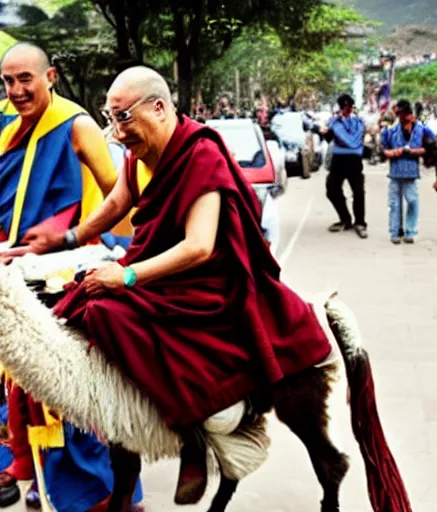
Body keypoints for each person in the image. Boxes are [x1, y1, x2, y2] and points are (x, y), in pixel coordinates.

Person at [23, 66, 333, 506]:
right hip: (160, 273)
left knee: (109, 310)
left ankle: (191, 432)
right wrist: (68, 239)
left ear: (160, 108)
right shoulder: (140, 156)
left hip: (208, 286)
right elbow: (116, 204)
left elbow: (200, 247)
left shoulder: (200, 153)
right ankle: (116, 428)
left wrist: (127, 276)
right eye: (111, 118)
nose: (117, 131)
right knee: (77, 300)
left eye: (124, 117)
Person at [0, 42, 141, 510]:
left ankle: (106, 494)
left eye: (26, 79)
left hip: (67, 277)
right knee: (25, 390)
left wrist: (114, 259)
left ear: (51, 76)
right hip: (16, 277)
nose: (17, 90)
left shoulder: (76, 125)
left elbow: (119, 196)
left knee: (73, 391)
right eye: (8, 81)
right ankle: (41, 477)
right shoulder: (5, 130)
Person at [381, 99, 435, 244]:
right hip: (395, 172)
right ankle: (395, 231)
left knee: (412, 201)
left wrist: (412, 151)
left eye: (405, 114)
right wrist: (393, 153)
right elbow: (383, 150)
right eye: (400, 115)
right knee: (394, 204)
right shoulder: (390, 130)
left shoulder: (422, 129)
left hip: (411, 173)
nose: (403, 117)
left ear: (410, 114)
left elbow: (429, 148)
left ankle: (410, 231)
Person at [324, 94, 368, 238]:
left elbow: (360, 137)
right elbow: (328, 138)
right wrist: (327, 130)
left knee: (358, 191)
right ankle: (345, 219)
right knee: (331, 188)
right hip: (339, 158)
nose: (347, 109)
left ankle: (360, 222)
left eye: (349, 106)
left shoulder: (359, 122)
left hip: (354, 159)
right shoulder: (334, 122)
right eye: (344, 107)